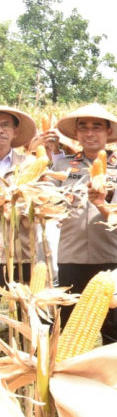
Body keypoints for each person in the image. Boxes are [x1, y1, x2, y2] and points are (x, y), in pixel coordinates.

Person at [54, 103, 117, 345]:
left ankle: (111, 380)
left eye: (97, 127)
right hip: (70, 258)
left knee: (112, 328)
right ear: (76, 134)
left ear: (108, 132)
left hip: (111, 257)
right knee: (69, 329)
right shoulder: (62, 167)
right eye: (83, 128)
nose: (90, 133)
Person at [0, 106, 37, 288]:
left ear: (15, 132)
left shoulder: (28, 164)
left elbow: (40, 203)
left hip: (21, 254)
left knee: (24, 312)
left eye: (5, 125)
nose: (0, 130)